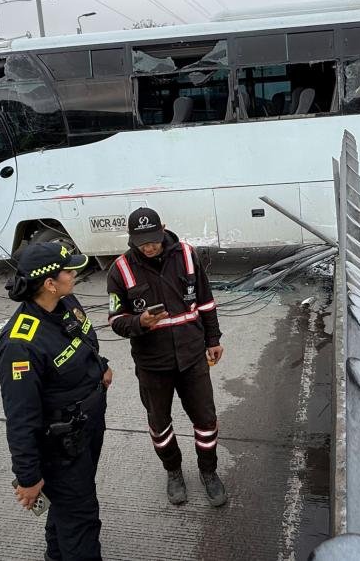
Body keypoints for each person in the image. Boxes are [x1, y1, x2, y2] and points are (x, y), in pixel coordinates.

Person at [0, 242, 112, 561]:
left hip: (88, 426)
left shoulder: (66, 301)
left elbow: (83, 339)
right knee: (82, 517)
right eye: (70, 270)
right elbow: (21, 419)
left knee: (64, 507)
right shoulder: (20, 345)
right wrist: (29, 477)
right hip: (61, 446)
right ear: (49, 282)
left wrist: (99, 366)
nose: (76, 273)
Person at [106, 207, 228, 508]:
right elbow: (115, 318)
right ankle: (173, 472)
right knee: (159, 425)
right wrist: (138, 323)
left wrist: (213, 339)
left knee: (206, 420)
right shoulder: (120, 270)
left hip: (192, 358)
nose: (149, 247)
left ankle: (208, 472)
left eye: (154, 239)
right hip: (152, 365)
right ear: (132, 239)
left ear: (163, 228)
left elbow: (206, 301)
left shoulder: (187, 255)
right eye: (142, 242)